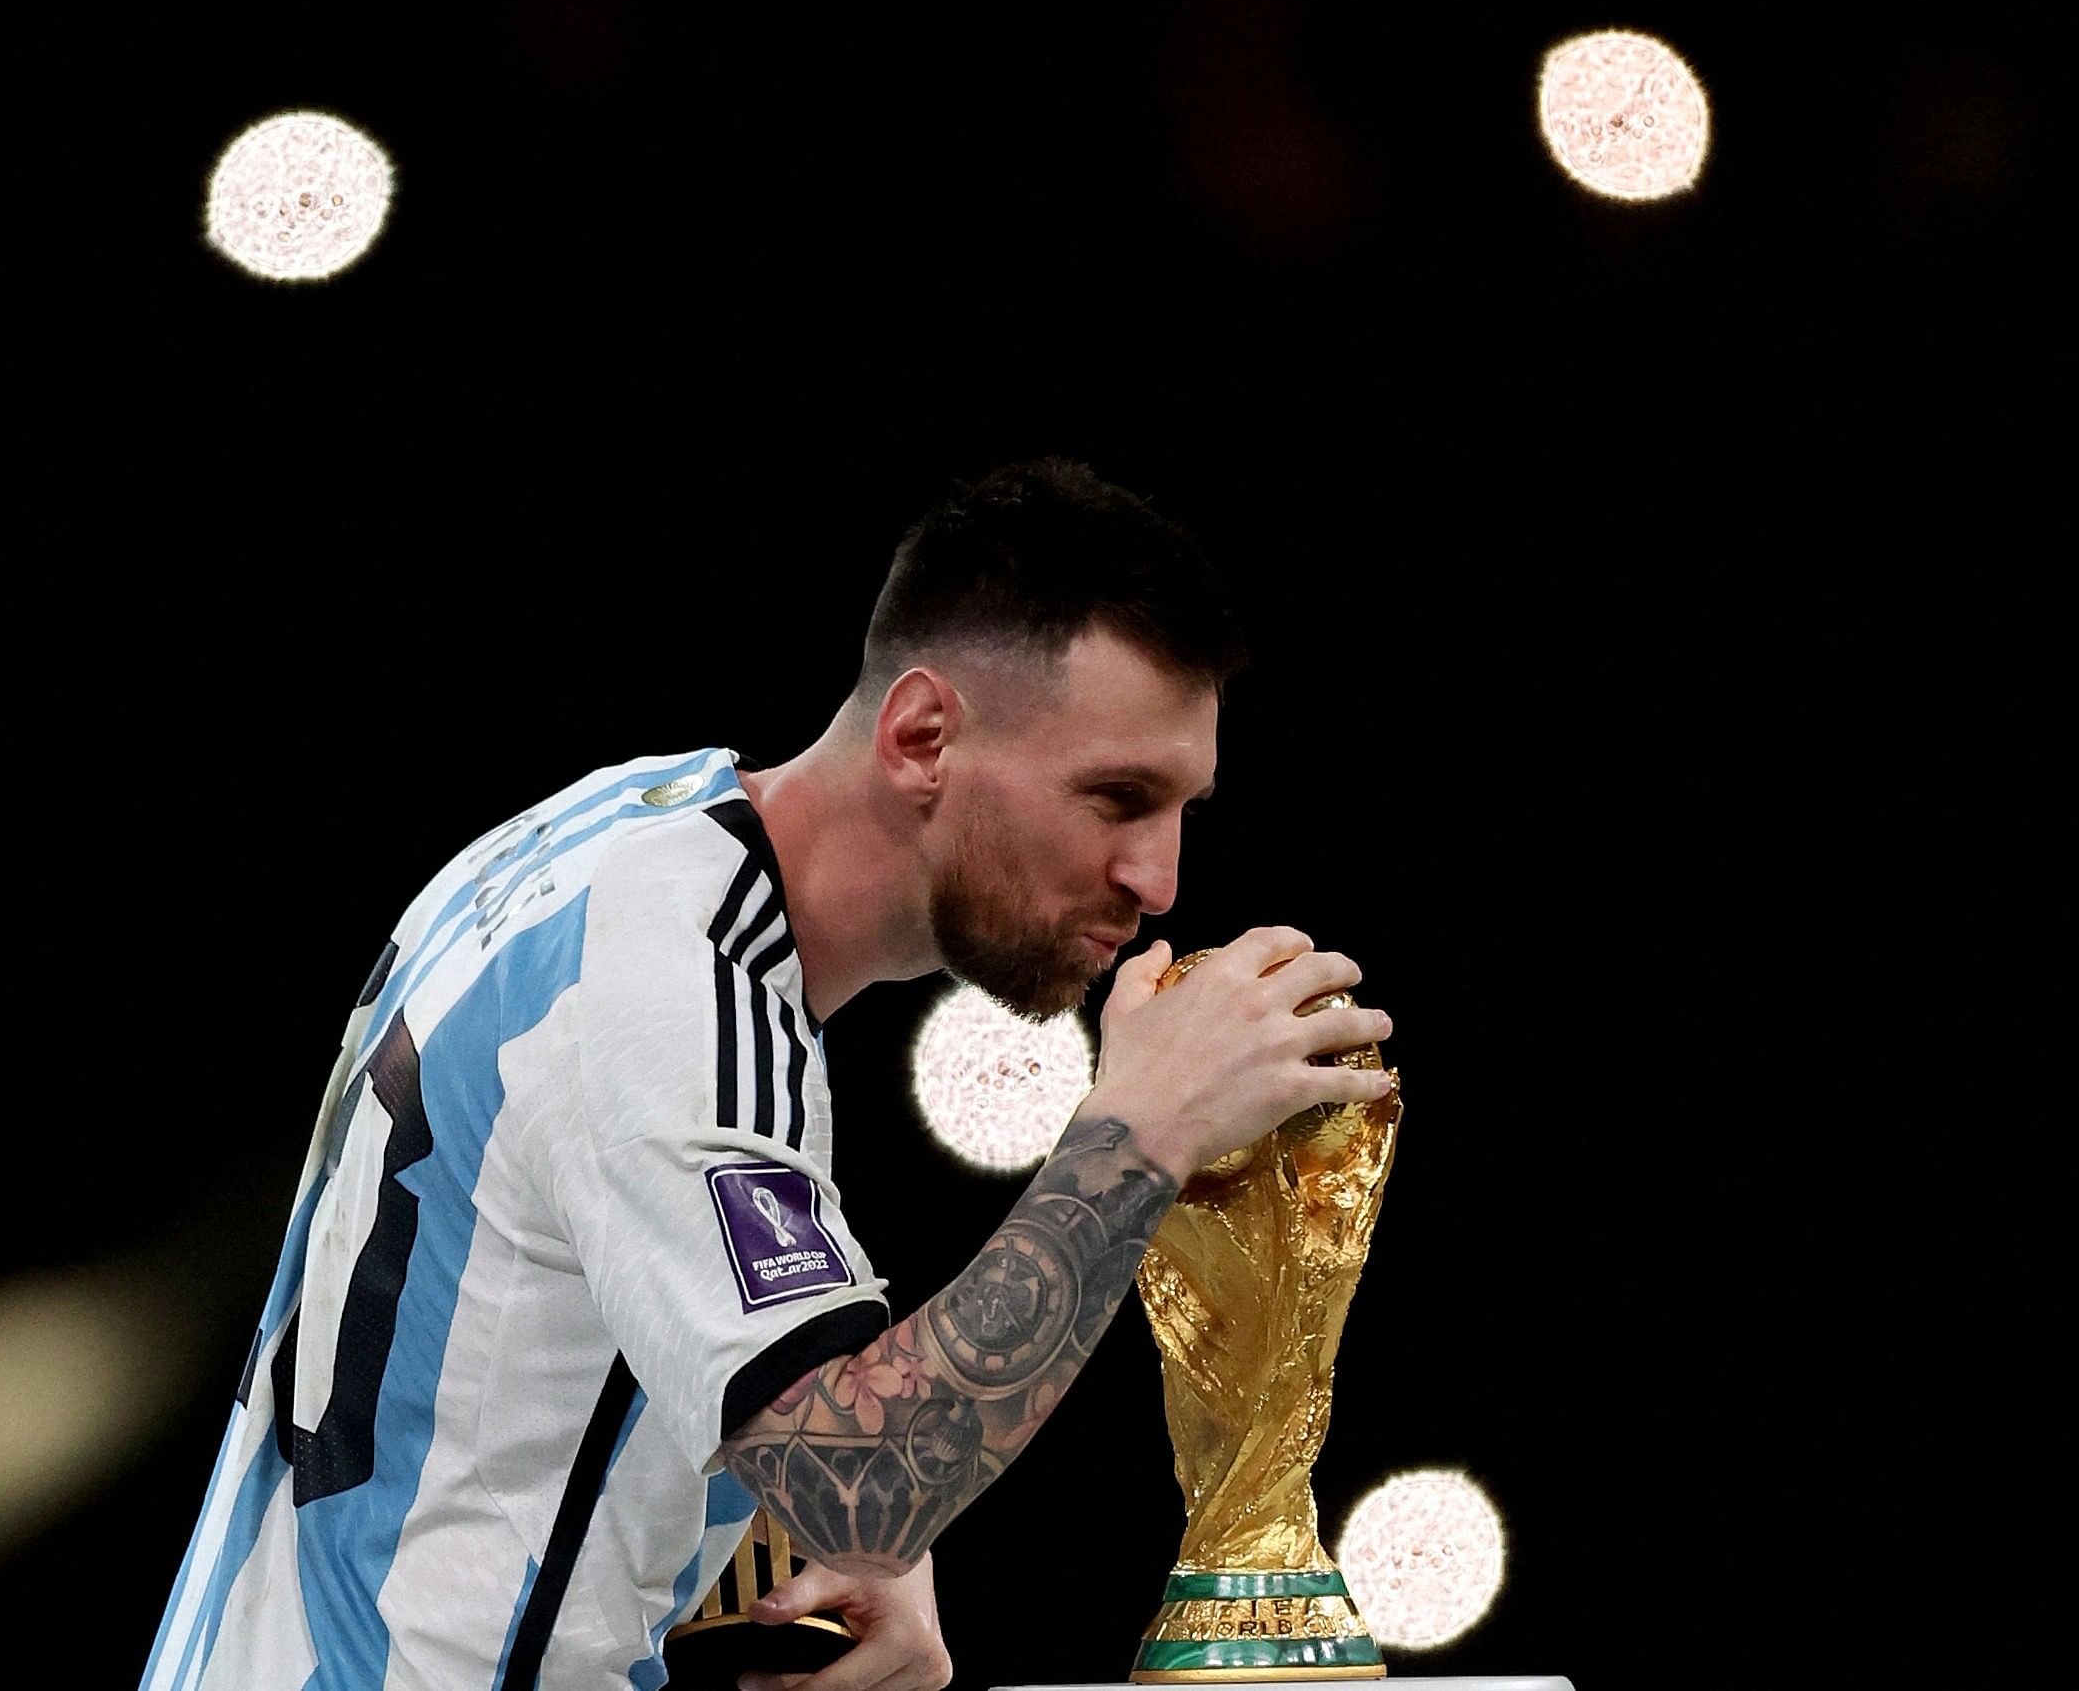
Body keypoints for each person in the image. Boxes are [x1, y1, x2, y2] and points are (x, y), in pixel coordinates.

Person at [139, 459, 1397, 1691]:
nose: (1157, 876)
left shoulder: (609, 834)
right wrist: (1140, 1129)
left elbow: (508, 1346)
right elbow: (863, 1475)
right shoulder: (672, 992)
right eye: (1116, 797)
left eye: (1181, 806)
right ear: (920, 735)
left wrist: (807, 1525)